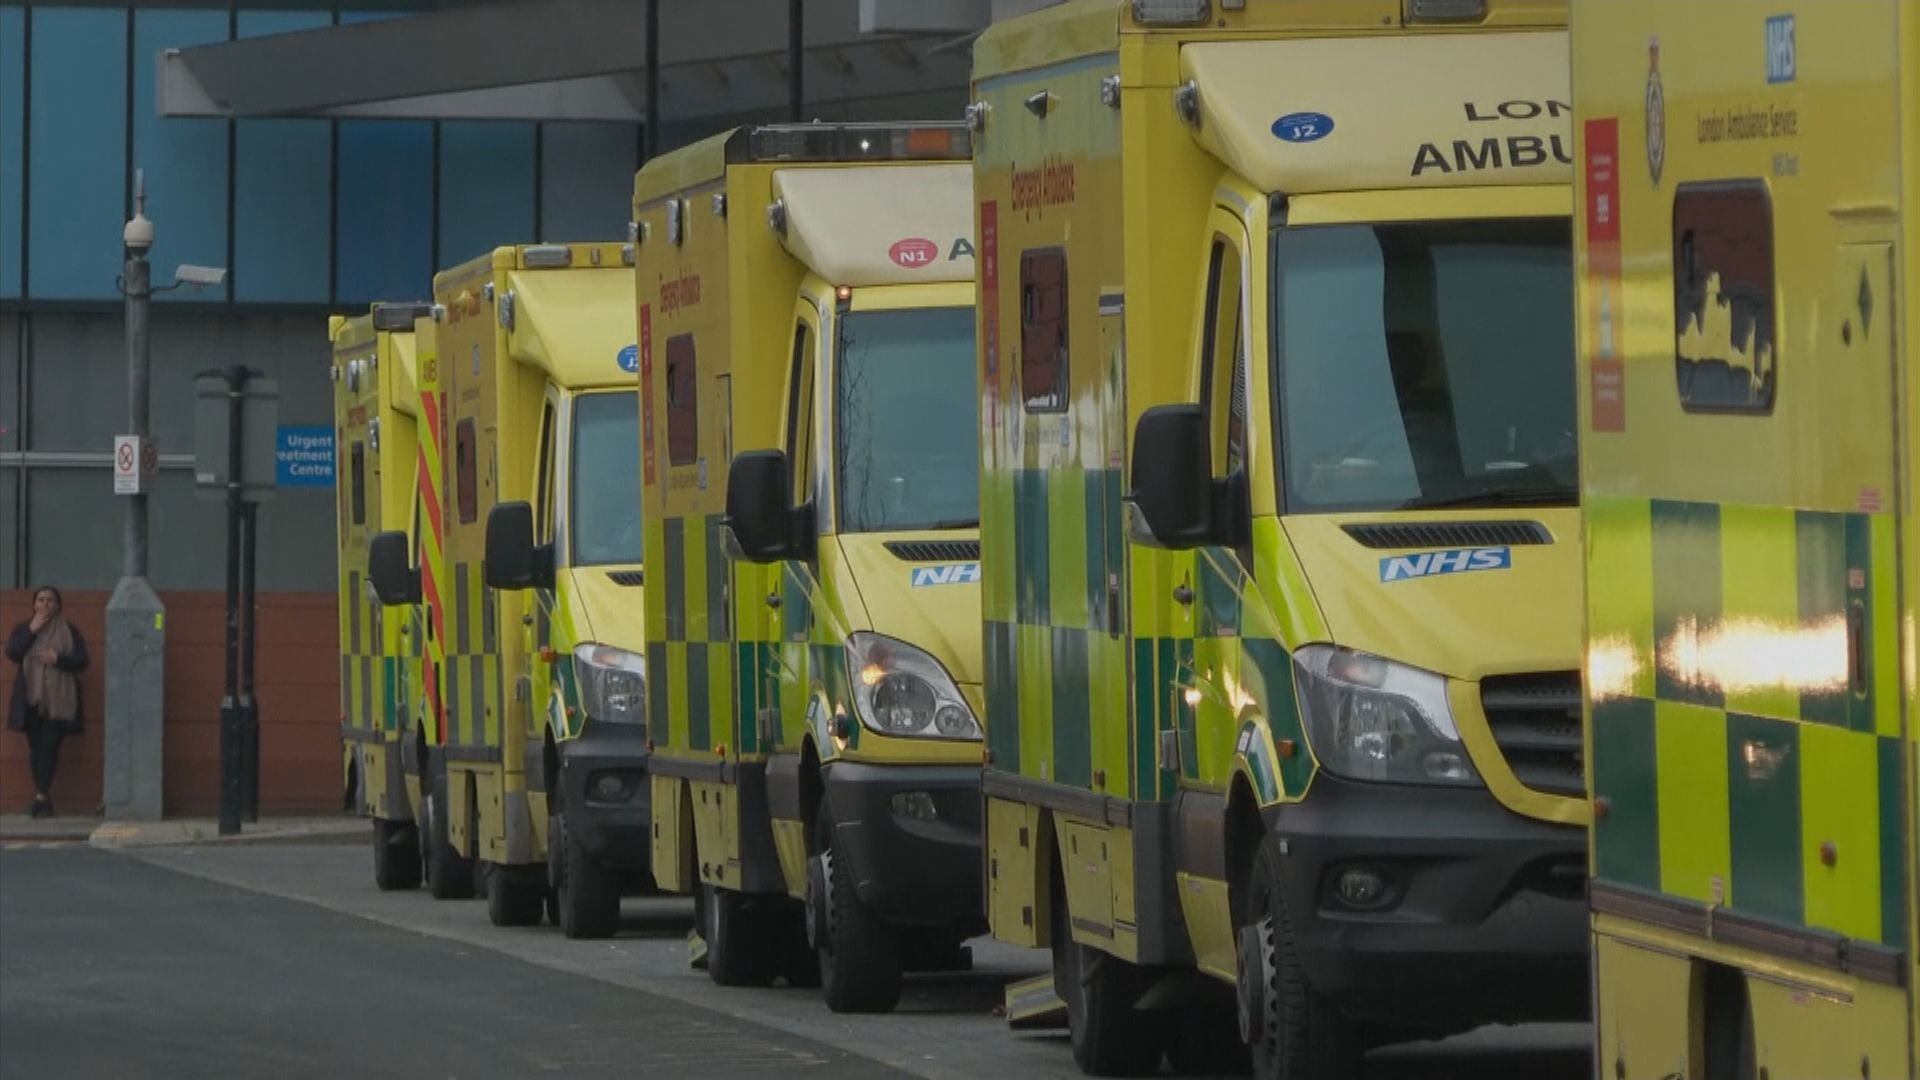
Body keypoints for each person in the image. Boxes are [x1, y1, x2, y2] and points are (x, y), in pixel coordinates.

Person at [7, 586, 88, 818]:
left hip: (59, 702)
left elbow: (82, 661)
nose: (45, 604)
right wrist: (31, 630)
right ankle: (44, 800)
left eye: (50, 600)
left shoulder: (70, 630)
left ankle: (40, 797)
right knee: (36, 750)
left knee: (50, 748)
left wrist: (58, 659)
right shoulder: (23, 628)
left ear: (58, 605)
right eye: (40, 600)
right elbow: (13, 653)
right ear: (34, 605)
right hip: (31, 699)